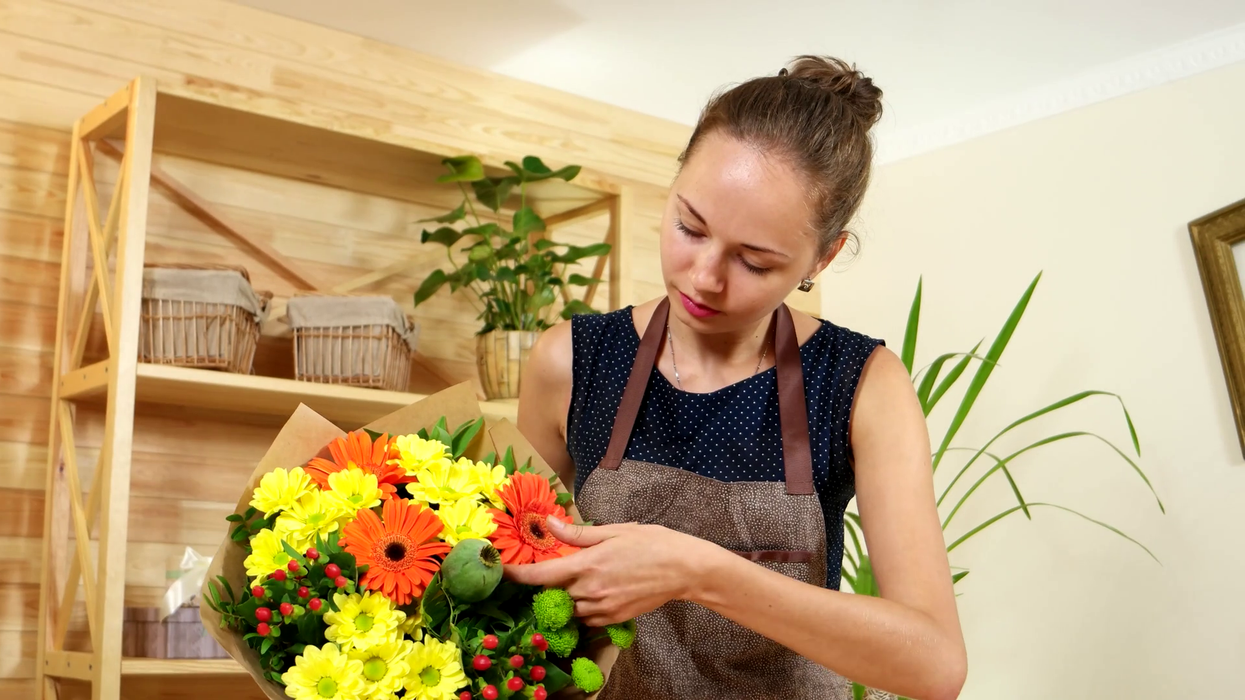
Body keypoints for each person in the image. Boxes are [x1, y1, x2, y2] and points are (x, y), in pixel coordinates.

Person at [509, 55, 967, 700]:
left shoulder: (861, 384)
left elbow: (933, 664)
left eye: (754, 262)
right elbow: (512, 565)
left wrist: (698, 571)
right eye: (689, 227)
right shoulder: (573, 362)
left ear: (822, 257)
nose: (704, 277)